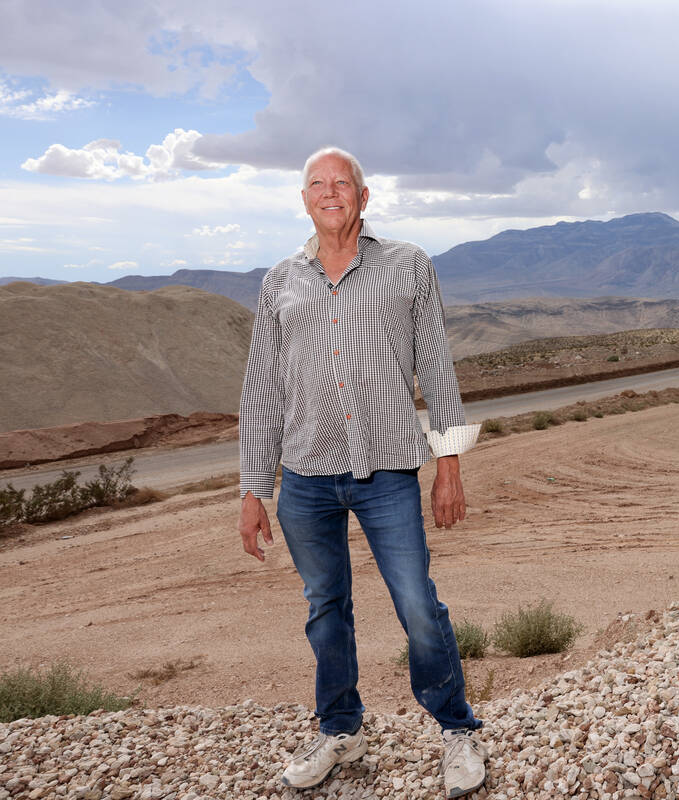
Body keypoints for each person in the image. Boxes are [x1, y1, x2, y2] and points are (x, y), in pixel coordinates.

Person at [237, 146, 487, 797]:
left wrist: (449, 466)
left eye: (340, 182)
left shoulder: (408, 266)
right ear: (304, 199)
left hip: (388, 472)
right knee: (325, 609)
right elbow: (262, 390)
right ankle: (342, 731)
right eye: (316, 184)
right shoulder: (278, 283)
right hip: (307, 477)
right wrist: (253, 489)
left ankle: (456, 730)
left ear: (362, 197)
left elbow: (437, 370)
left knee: (417, 604)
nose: (329, 192)